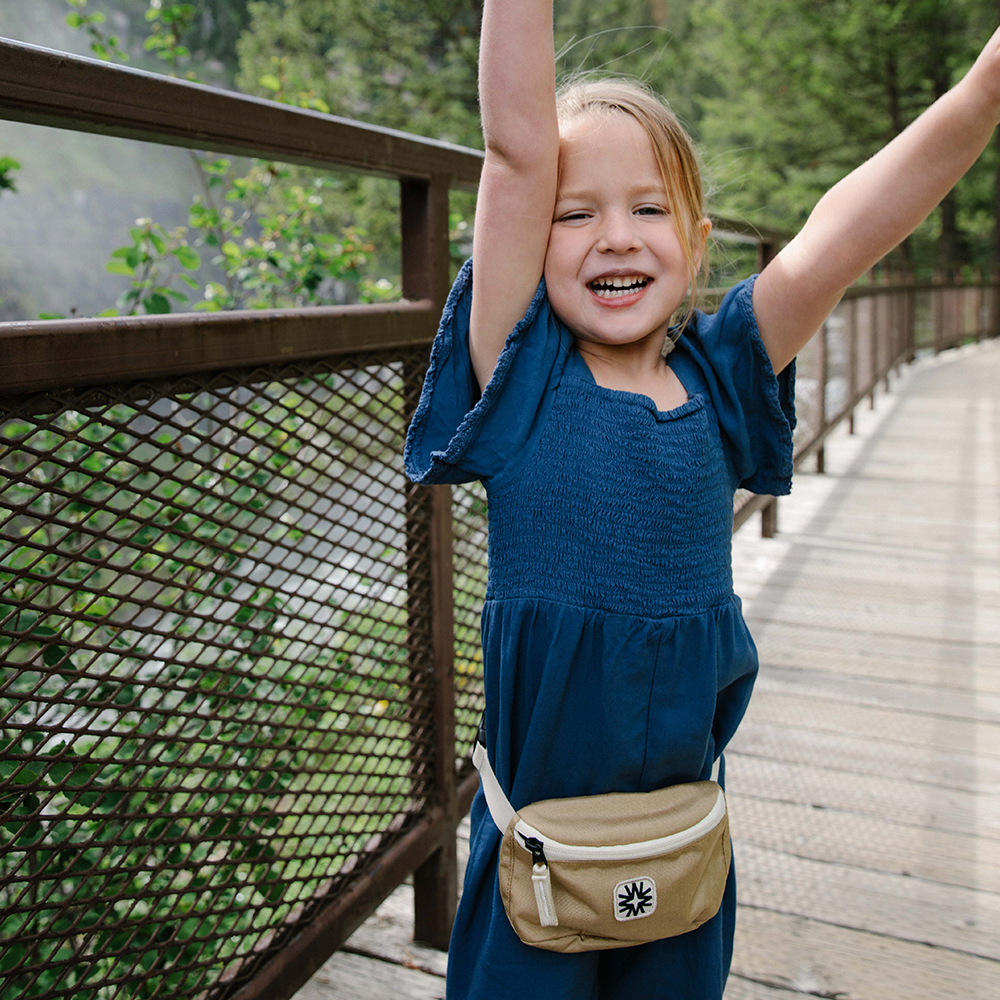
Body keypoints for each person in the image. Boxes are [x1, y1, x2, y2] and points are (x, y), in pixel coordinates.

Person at [404, 2, 1000, 997]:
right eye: (573, 211)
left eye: (647, 209)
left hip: (676, 845)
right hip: (533, 853)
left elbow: (846, 229)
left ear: (697, 238)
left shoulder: (723, 372)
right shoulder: (521, 374)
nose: (614, 236)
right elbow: (512, 150)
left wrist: (983, 93)